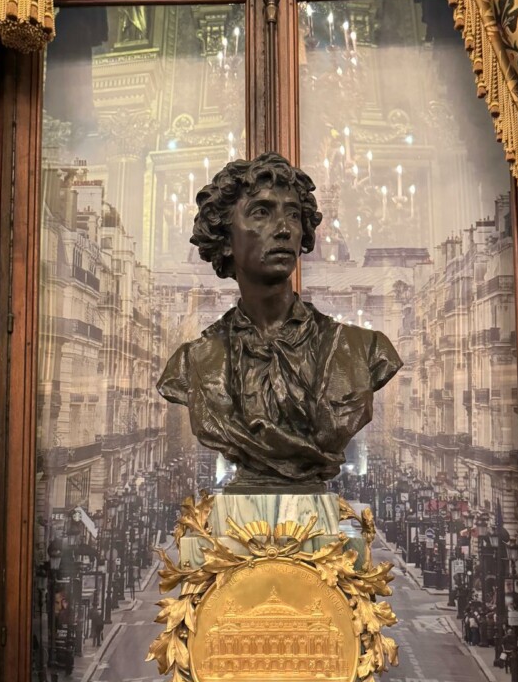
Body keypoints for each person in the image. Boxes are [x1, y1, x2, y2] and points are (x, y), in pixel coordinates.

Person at [157, 153, 402, 491]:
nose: (284, 229)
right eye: (261, 212)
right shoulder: (195, 362)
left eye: (293, 215)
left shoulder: (362, 350)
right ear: (225, 239)